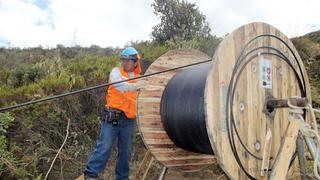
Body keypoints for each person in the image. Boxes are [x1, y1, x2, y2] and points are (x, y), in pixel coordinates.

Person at [83, 47, 143, 180]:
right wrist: (137, 86)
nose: (125, 63)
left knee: (125, 153)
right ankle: (91, 174)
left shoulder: (140, 78)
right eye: (123, 60)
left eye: (128, 60)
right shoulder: (116, 72)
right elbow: (120, 86)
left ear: (135, 62)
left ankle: (122, 177)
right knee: (104, 146)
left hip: (129, 121)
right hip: (112, 117)